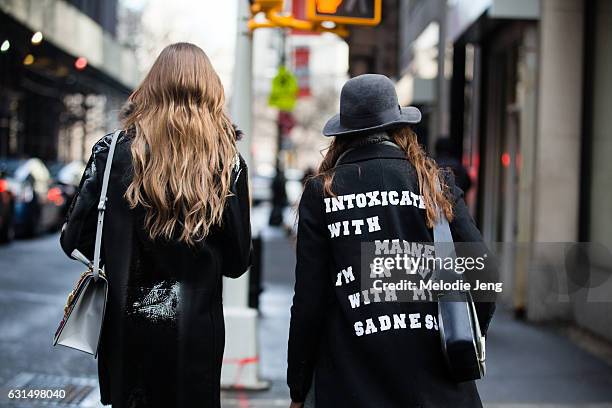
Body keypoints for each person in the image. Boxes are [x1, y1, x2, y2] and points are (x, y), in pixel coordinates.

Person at [60, 43, 251, 408]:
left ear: (151, 87)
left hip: (125, 332)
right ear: (210, 92)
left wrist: (118, 252)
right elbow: (237, 262)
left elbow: (73, 237)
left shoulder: (112, 150)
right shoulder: (227, 163)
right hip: (195, 335)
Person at [287, 74, 495, 408]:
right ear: (400, 128)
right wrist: (464, 336)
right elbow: (483, 275)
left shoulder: (322, 192)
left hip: (351, 382)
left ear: (343, 135)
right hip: (437, 384)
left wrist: (298, 386)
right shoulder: (434, 185)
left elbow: (309, 302)